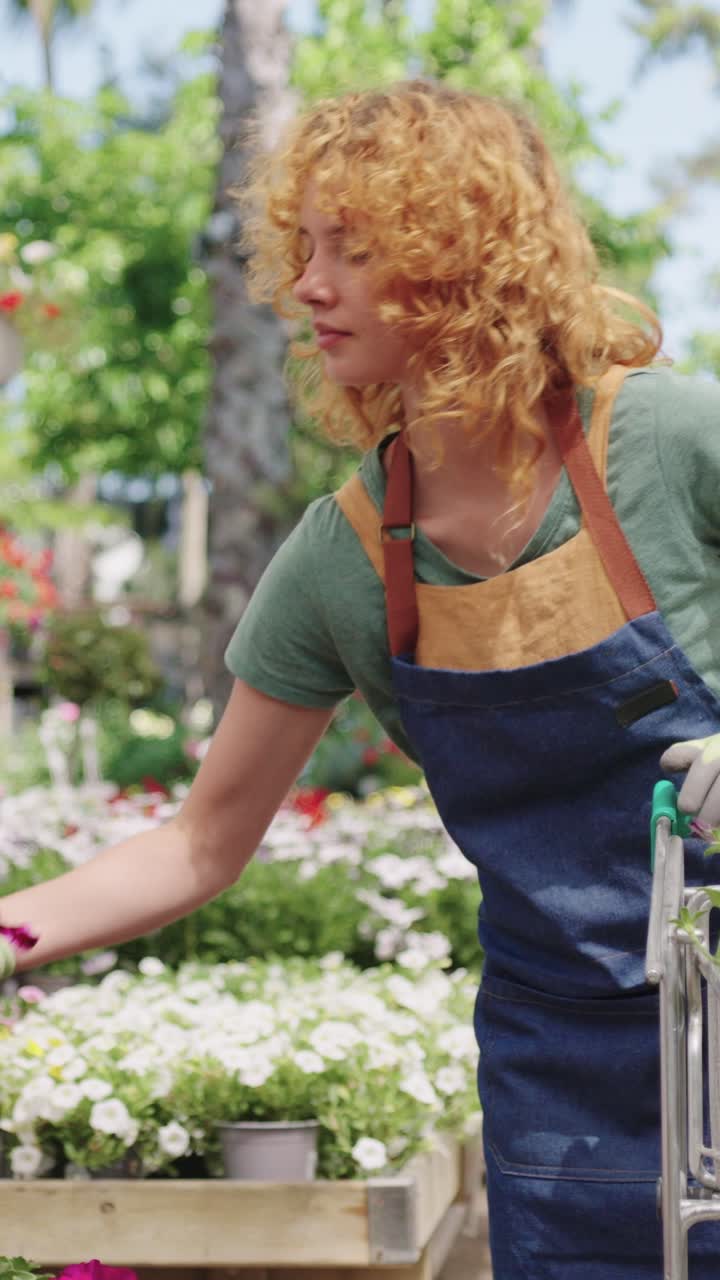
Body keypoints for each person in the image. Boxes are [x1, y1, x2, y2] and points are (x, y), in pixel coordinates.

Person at [3, 78, 720, 1277]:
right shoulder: (342, 558)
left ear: (467, 257)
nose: (310, 286)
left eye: (355, 247)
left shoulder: (671, 442)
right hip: (565, 1093)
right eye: (304, 248)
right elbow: (198, 842)